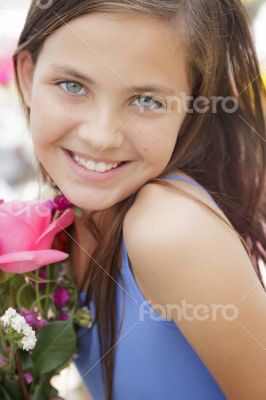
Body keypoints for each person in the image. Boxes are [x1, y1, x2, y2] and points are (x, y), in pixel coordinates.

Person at [12, 1, 266, 399]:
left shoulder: (168, 228)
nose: (101, 136)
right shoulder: (73, 218)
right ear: (27, 76)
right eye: (73, 86)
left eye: (146, 100)